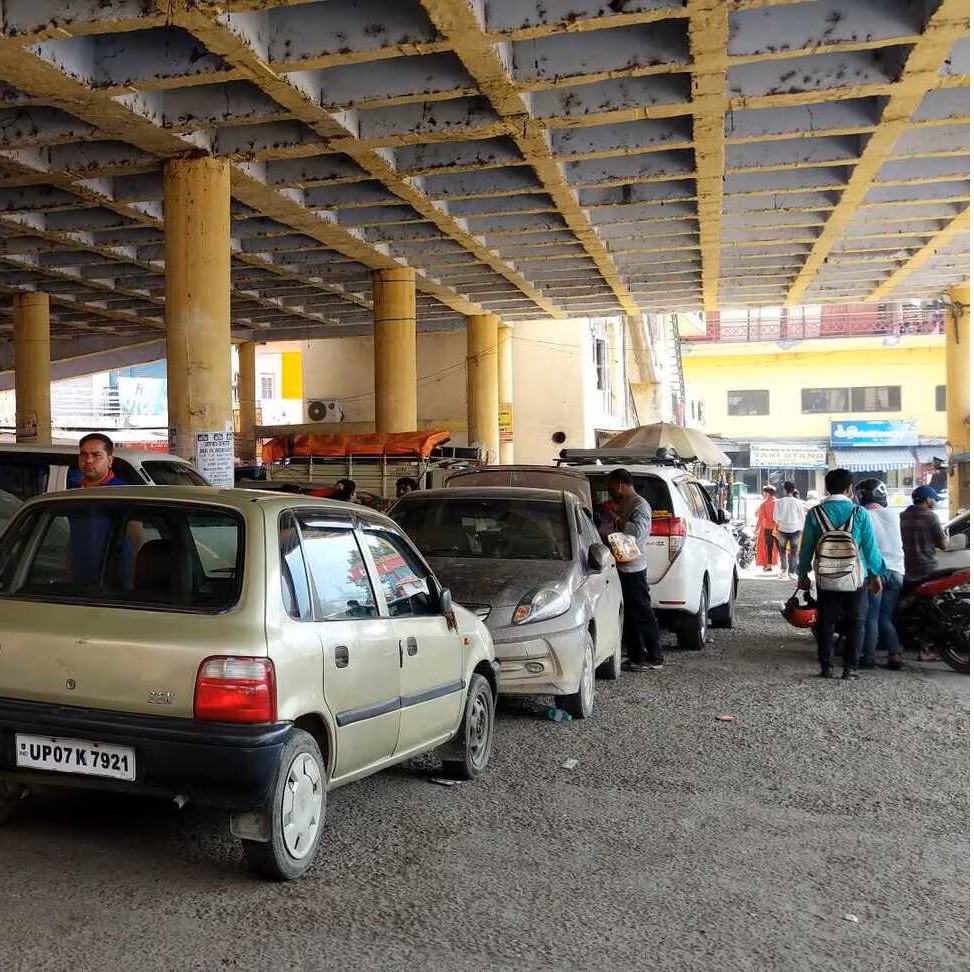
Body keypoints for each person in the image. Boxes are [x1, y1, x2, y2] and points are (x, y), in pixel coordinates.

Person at [797, 468, 884, 680]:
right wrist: (876, 573)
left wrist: (802, 574)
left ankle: (826, 667)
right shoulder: (859, 513)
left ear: (827, 488)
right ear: (849, 489)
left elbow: (806, 547)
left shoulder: (815, 513)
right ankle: (850, 668)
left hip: (825, 578)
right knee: (857, 621)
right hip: (855, 577)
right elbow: (870, 549)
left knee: (826, 621)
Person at [600, 468, 662, 672]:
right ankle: (637, 656)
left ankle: (655, 657)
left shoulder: (640, 505)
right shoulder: (624, 504)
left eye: (611, 487)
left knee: (642, 612)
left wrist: (617, 520)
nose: (610, 492)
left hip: (634, 569)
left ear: (619, 485)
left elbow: (638, 533)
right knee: (630, 614)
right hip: (621, 567)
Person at [854, 479, 905, 671]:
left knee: (871, 617)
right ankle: (895, 654)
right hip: (897, 572)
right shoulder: (894, 514)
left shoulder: (862, 515)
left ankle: (868, 658)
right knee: (886, 617)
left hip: (875, 573)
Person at [67, 433, 129, 583]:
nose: (88, 460)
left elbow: (134, 537)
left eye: (96, 455)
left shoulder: (122, 493)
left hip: (113, 580)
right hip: (79, 581)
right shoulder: (73, 494)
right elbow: (72, 538)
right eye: (84, 455)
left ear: (109, 460)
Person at [901, 484, 948, 583]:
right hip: (927, 569)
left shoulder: (902, 516)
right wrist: (946, 539)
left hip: (905, 568)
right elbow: (944, 545)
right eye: (935, 500)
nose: (936, 503)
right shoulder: (931, 516)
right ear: (928, 499)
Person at [774, 480, 805, 579]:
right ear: (793, 490)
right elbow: (802, 517)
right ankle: (792, 572)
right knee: (794, 551)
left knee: (782, 550)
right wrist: (801, 528)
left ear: (784, 490)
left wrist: (781, 523)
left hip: (783, 529)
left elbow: (775, 517)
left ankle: (783, 570)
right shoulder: (799, 502)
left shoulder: (778, 502)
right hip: (795, 529)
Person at [755, 485, 779, 572]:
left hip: (768, 528)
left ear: (767, 493)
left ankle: (769, 565)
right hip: (778, 528)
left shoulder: (764, 504)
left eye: (764, 492)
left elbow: (760, 518)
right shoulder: (778, 502)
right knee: (780, 547)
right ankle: (784, 567)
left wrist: (756, 529)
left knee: (769, 547)